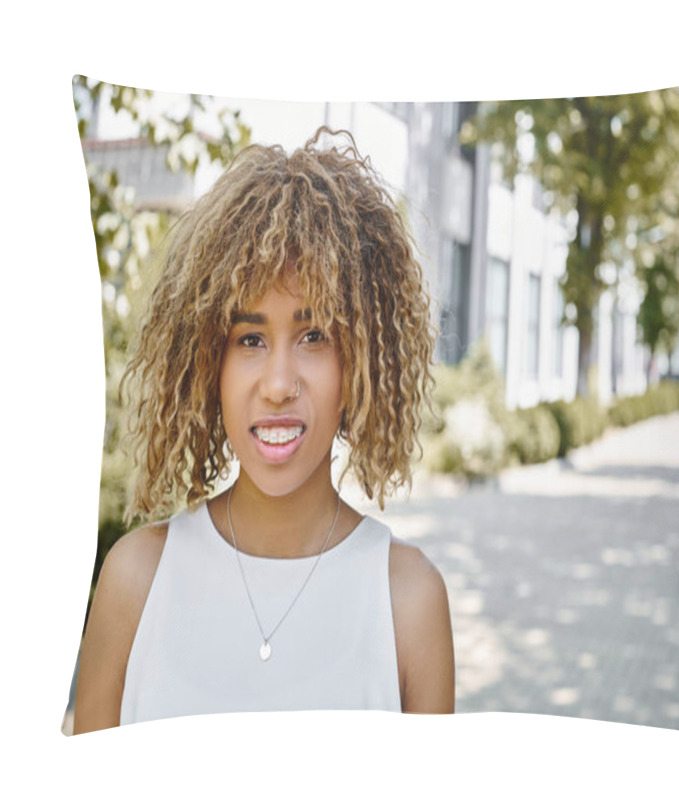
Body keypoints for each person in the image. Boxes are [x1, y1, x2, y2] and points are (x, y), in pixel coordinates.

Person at [73, 128, 455, 733]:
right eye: (249, 339)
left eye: (314, 336)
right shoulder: (134, 582)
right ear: (208, 362)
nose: (278, 383)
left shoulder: (408, 601)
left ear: (361, 358)